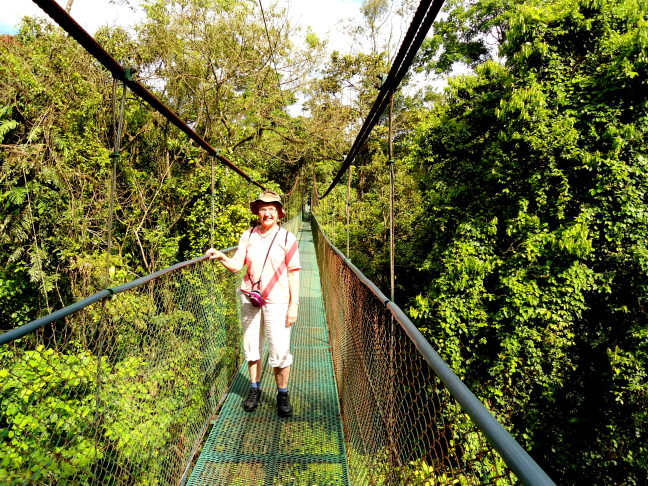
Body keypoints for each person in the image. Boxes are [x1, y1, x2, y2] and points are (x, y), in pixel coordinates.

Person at [206, 190, 300, 418]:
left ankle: (282, 394)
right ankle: (254, 389)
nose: (267, 213)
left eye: (272, 209)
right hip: (250, 297)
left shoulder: (288, 238)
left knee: (279, 350)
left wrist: (293, 306)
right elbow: (238, 265)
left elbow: (293, 274)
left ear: (279, 213)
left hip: (278, 301)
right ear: (257, 212)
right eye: (263, 209)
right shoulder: (248, 235)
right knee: (252, 348)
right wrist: (222, 257)